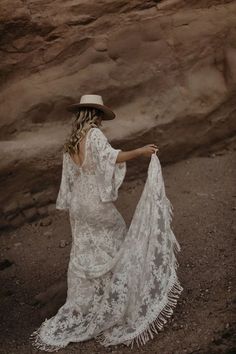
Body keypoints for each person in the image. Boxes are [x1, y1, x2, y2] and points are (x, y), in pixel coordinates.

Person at [30, 94, 183, 351]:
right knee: (119, 240)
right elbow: (112, 158)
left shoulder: (73, 140)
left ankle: (92, 302)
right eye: (100, 115)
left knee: (86, 251)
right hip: (94, 205)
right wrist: (141, 152)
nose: (101, 119)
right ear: (95, 115)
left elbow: (72, 175)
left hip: (78, 205)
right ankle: (115, 304)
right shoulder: (94, 135)